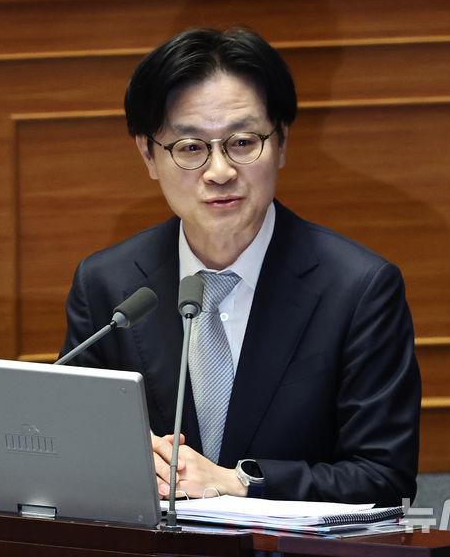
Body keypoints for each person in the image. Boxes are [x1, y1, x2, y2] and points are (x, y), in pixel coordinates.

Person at [60, 27, 420, 505]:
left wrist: (237, 482)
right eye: (191, 148)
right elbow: (69, 442)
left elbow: (385, 477)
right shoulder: (107, 285)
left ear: (282, 141)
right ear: (148, 154)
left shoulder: (359, 290)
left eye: (243, 142)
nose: (220, 171)